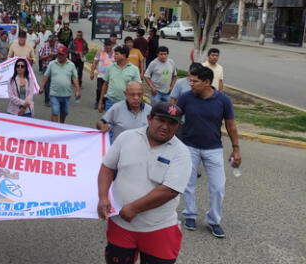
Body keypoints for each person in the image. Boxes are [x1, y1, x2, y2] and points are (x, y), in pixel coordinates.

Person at [98, 102, 191, 264]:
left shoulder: (181, 152)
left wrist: (134, 208)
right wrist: (103, 197)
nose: (165, 126)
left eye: (172, 123)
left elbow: (169, 191)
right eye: (161, 120)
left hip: (158, 228)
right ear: (149, 118)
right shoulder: (126, 137)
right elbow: (107, 168)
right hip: (121, 224)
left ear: (178, 126)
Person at [177, 66, 241, 238]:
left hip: (213, 148)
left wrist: (236, 149)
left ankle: (214, 221)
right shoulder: (186, 98)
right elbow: (174, 118)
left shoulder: (223, 101)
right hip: (189, 147)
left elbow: (231, 126)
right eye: (190, 80)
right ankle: (190, 214)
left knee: (218, 187)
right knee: (188, 184)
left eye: (194, 81)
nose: (190, 84)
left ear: (206, 82)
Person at [39, 46, 80, 123]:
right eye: (58, 54)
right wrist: (42, 87)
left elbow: (75, 78)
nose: (60, 56)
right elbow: (46, 76)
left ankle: (61, 125)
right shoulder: (52, 64)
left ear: (66, 55)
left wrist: (78, 90)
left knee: (64, 112)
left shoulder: (71, 65)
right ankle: (54, 128)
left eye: (62, 54)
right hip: (54, 94)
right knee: (55, 111)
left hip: (66, 94)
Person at [98, 45, 141, 112]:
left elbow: (139, 88)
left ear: (124, 55)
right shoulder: (110, 67)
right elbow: (105, 84)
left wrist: (138, 103)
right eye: (114, 54)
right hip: (110, 102)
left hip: (127, 103)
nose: (114, 56)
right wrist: (100, 102)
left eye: (116, 54)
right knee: (109, 122)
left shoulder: (134, 69)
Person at [38, 34, 65, 106]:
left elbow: (65, 55)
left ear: (55, 41)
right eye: (50, 42)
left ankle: (56, 99)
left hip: (57, 67)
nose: (51, 43)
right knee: (47, 84)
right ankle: (47, 100)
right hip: (46, 67)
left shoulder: (60, 46)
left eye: (53, 42)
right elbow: (40, 58)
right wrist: (48, 56)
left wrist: (57, 56)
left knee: (57, 84)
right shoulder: (44, 46)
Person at [90, 39, 114, 108]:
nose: (108, 49)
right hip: (101, 75)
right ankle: (97, 102)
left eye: (110, 47)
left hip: (111, 76)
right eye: (107, 47)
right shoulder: (100, 52)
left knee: (108, 90)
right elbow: (94, 63)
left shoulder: (115, 53)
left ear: (112, 46)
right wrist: (92, 73)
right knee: (99, 89)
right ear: (104, 46)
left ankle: (104, 102)